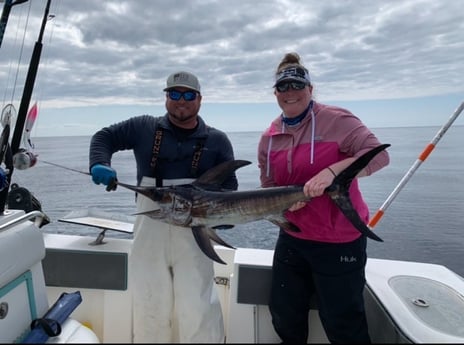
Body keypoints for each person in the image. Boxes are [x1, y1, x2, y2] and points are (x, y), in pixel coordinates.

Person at [88, 71, 238, 343]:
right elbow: (104, 137)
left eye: (188, 94)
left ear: (200, 99)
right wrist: (100, 162)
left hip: (194, 233)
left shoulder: (217, 141)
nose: (182, 100)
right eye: (175, 94)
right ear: (166, 98)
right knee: (149, 305)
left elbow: (229, 188)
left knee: (198, 306)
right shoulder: (143, 127)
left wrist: (220, 216)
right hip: (150, 230)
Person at [258, 52, 390, 343]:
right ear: (276, 93)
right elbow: (268, 185)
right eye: (283, 87)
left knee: (343, 323)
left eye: (297, 85)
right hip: (292, 239)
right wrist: (281, 203)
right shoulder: (269, 137)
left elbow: (379, 156)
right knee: (284, 314)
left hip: (339, 241)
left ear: (310, 89)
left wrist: (333, 171)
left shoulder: (337, 120)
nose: (290, 93)